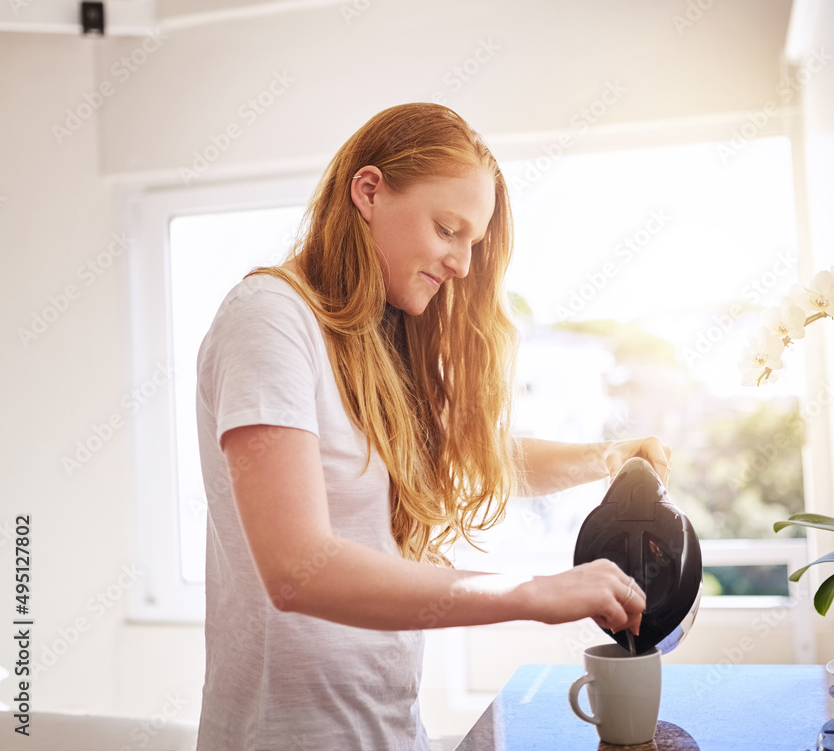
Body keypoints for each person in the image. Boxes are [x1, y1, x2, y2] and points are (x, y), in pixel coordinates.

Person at [194, 102, 671, 751]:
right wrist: (531, 593)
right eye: (448, 229)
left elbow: (474, 457)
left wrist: (608, 456)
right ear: (368, 191)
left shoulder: (375, 343)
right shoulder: (269, 319)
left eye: (473, 243)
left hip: (391, 733)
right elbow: (299, 568)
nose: (463, 265)